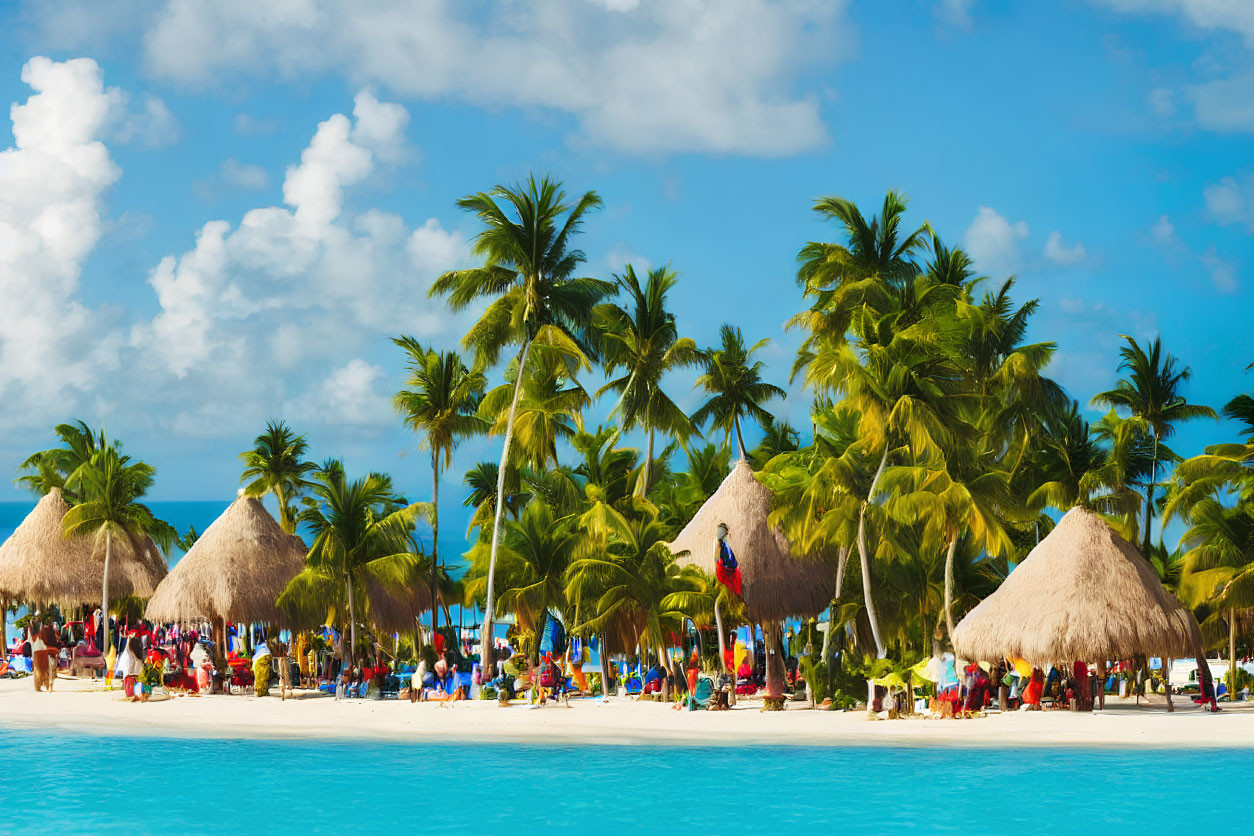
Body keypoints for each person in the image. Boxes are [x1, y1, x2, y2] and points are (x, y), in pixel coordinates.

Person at [713, 523, 742, 597]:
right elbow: (717, 558)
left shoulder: (725, 544)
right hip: (725, 569)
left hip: (730, 569)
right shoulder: (719, 544)